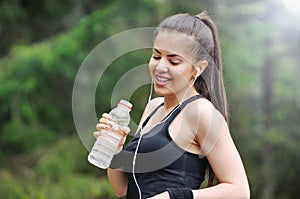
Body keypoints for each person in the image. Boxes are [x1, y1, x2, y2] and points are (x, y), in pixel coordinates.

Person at [94, 11, 250, 199]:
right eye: (156, 56)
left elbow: (239, 190)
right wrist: (115, 148)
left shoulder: (201, 112)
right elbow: (122, 189)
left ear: (199, 68)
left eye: (174, 61)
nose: (160, 67)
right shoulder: (153, 107)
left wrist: (172, 197)